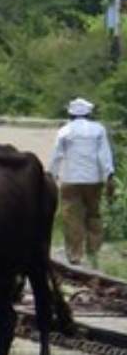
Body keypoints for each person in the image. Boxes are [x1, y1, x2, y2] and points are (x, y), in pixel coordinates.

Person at [49, 97, 116, 267]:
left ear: (71, 114)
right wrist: (109, 174)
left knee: (72, 217)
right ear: (89, 113)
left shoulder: (64, 131)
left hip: (71, 179)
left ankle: (75, 255)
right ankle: (93, 251)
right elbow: (104, 154)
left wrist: (51, 174)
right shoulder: (98, 130)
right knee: (94, 214)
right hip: (94, 179)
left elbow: (57, 155)